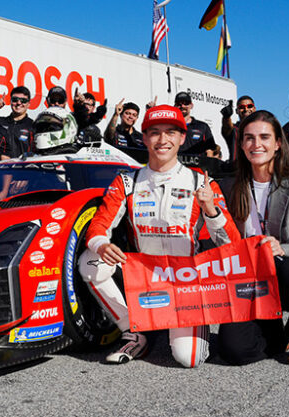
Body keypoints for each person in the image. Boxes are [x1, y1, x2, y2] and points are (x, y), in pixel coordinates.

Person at [79, 105, 241, 367]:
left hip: (186, 283)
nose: (162, 140)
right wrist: (101, 244)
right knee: (90, 261)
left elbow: (232, 244)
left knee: (188, 359)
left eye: (170, 133)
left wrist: (211, 210)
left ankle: (172, 322)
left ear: (182, 138)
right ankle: (134, 331)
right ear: (144, 138)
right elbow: (98, 226)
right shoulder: (127, 181)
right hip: (143, 278)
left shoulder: (201, 182)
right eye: (154, 133)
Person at [216, 110, 289, 366]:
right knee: (235, 351)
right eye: (248, 138)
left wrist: (278, 246)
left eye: (264, 137)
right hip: (249, 278)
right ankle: (272, 331)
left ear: (278, 144)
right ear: (241, 144)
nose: (256, 144)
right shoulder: (227, 187)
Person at [0, 86, 35, 158]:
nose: (18, 103)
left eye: (23, 100)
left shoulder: (33, 126)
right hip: (0, 168)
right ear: (10, 101)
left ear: (28, 104)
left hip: (22, 168)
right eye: (15, 100)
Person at [221, 96, 256, 162]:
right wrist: (226, 116)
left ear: (254, 109)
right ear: (236, 111)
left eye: (249, 106)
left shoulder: (262, 129)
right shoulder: (234, 129)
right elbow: (227, 127)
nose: (246, 109)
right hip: (237, 170)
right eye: (241, 107)